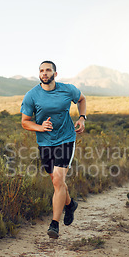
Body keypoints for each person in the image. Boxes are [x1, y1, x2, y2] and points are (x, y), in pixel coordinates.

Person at [20, 60, 86, 239]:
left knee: (58, 180)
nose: (44, 73)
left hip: (65, 139)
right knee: (56, 181)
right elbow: (25, 122)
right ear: (39, 74)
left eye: (48, 70)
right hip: (45, 143)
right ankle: (70, 204)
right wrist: (40, 127)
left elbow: (81, 99)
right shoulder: (32, 95)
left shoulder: (67, 89)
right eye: (41, 70)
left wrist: (82, 118)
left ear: (55, 74)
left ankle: (54, 224)